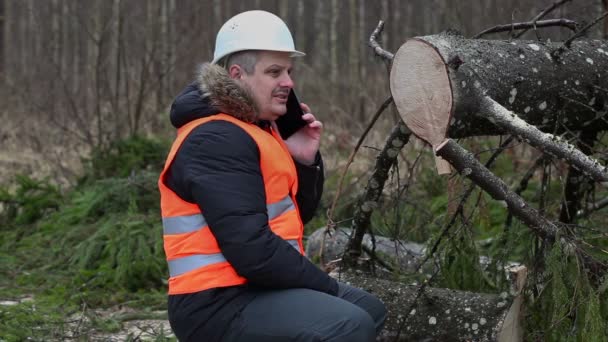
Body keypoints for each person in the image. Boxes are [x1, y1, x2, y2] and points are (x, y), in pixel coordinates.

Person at [158, 10, 387, 341]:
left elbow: (293, 217)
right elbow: (252, 251)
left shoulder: (256, 131)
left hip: (256, 288)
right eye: (275, 72)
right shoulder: (216, 138)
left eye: (289, 72)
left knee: (369, 310)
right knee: (348, 323)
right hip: (215, 303)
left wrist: (304, 162)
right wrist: (325, 286)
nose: (289, 83)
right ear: (237, 74)